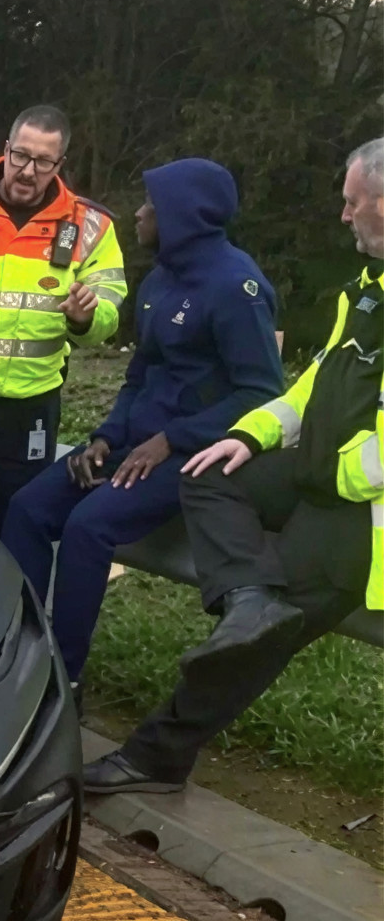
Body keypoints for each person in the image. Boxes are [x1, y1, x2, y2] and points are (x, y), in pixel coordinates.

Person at [84, 139, 384, 794]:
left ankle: (156, 755)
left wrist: (337, 472)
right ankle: (246, 597)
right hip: (317, 472)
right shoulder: (366, 289)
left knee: (259, 643)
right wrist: (249, 436)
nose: (343, 217)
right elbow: (313, 386)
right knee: (207, 470)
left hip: (361, 513)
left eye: (352, 203)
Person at [0, 159, 282, 687]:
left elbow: (261, 392)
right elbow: (141, 374)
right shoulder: (157, 281)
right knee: (26, 509)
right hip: (132, 442)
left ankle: (61, 679)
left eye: (150, 205)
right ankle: (21, 651)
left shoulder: (236, 287)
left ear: (182, 216)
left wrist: (171, 439)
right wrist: (105, 436)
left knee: (89, 526)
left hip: (190, 453)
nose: (139, 213)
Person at [0, 105, 127, 531]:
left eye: (43, 162)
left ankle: (10, 600)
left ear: (60, 164)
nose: (28, 171)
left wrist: (86, 317)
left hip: (30, 406)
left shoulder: (90, 225)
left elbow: (110, 310)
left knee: (16, 526)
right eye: (21, 156)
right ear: (5, 149)